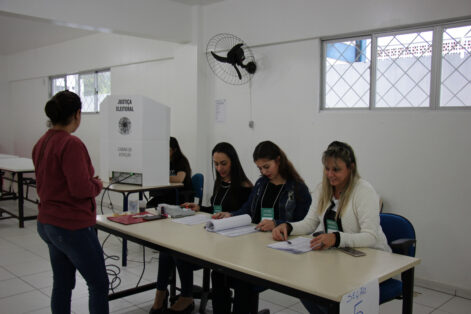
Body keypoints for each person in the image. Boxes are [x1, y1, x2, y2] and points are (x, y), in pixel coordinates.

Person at [272, 141, 391, 314]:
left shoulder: (364, 191)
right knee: (304, 287)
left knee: (328, 296)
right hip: (339, 259)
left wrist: (336, 238)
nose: (330, 174)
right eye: (327, 169)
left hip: (370, 260)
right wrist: (288, 227)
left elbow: (371, 236)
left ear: (350, 168)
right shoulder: (323, 189)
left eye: (336, 169)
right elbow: (310, 223)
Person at [149, 142, 253, 314]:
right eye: (216, 164)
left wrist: (229, 215)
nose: (219, 168)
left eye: (223, 163)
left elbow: (246, 216)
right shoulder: (221, 182)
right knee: (166, 249)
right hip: (213, 234)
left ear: (233, 162)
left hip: (231, 243)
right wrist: (200, 208)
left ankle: (185, 296)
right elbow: (215, 209)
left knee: (177, 251)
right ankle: (162, 294)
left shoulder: (244, 187)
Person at [211, 140, 312, 314]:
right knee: (218, 273)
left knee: (243, 280)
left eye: (267, 167)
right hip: (254, 247)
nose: (263, 172)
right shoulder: (260, 184)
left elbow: (305, 224)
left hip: (278, 253)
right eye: (259, 168)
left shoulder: (297, 189)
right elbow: (248, 210)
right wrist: (231, 215)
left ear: (278, 161)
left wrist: (278, 223)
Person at [32, 90, 109, 314]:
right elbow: (80, 189)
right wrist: (97, 184)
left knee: (63, 283)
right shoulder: (71, 144)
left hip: (47, 223)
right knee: (98, 284)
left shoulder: (42, 142)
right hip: (71, 226)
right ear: (77, 114)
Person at [147, 137, 193, 207]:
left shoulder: (181, 161)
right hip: (168, 194)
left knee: (152, 206)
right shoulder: (166, 161)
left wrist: (162, 178)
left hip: (180, 195)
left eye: (168, 150)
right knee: (150, 205)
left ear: (174, 150)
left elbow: (179, 179)